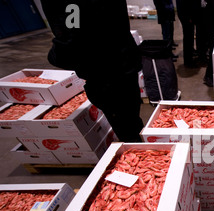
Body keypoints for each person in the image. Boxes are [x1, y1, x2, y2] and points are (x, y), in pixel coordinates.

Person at [41, 0, 144, 142]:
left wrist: (54, 56)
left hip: (104, 72)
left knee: (125, 126)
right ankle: (138, 142)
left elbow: (71, 40)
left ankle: (136, 148)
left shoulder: (70, 5)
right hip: (125, 62)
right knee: (131, 117)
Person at [176, 0, 202, 67]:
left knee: (189, 38)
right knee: (188, 39)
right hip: (187, 17)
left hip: (187, 16)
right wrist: (189, 18)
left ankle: (189, 58)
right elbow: (185, 5)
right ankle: (188, 62)